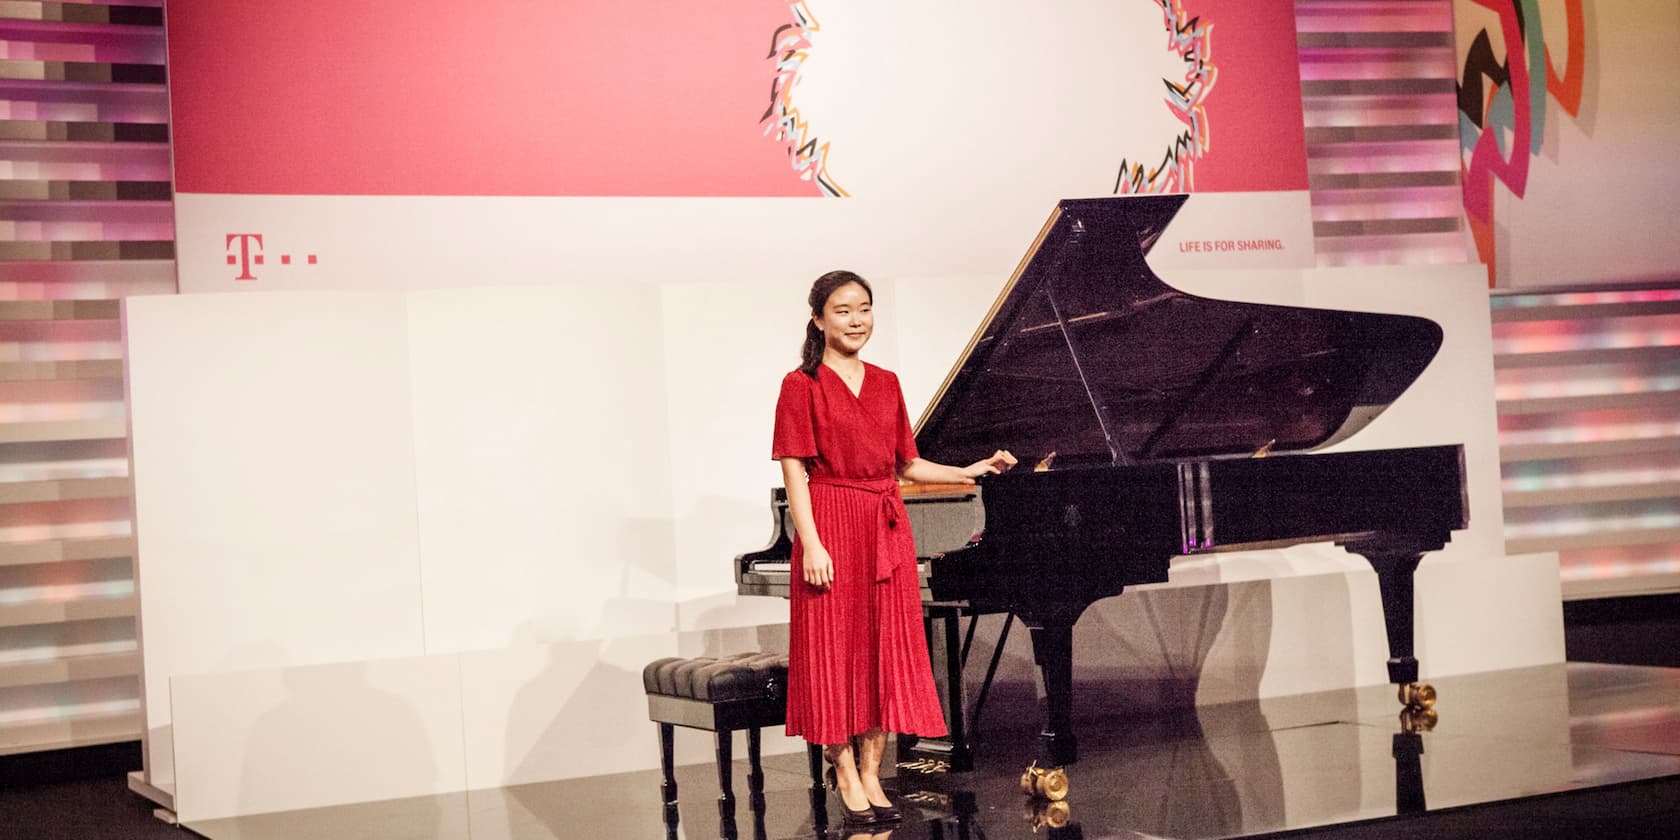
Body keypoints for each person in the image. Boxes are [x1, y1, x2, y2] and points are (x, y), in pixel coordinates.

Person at [772, 269, 1016, 827]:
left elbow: (907, 464)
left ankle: (873, 771)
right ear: (817, 319)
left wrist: (967, 470)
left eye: (864, 308)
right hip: (832, 521)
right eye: (842, 310)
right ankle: (843, 771)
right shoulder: (800, 384)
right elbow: (794, 472)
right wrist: (809, 543)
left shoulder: (885, 382)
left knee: (884, 647)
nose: (856, 320)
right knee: (835, 651)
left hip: (885, 529)